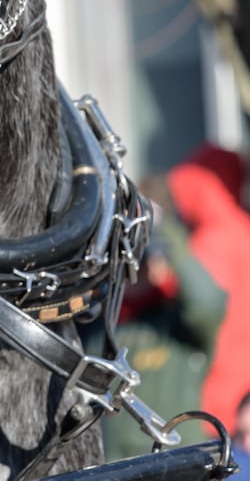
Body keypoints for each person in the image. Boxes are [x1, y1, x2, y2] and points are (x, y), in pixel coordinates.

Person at [96, 182, 226, 461]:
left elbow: (208, 303)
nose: (139, 266)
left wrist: (164, 230)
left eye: (146, 254)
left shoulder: (179, 324)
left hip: (176, 469)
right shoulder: (99, 324)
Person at [169, 143, 250, 434]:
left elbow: (200, 302)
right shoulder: (241, 229)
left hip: (216, 395)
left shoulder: (217, 236)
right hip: (239, 388)